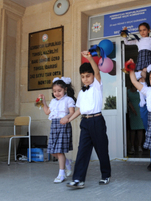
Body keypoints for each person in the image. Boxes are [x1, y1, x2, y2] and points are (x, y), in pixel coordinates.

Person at [66, 51, 111, 189]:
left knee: (101, 149)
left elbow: (97, 72)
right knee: (82, 150)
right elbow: (80, 110)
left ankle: (105, 175)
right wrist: (68, 119)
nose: (85, 79)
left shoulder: (97, 86)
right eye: (83, 76)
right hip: (85, 122)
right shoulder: (81, 93)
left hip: (97, 121)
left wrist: (90, 58)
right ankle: (78, 179)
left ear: (92, 76)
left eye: (88, 76)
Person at [38, 77, 76, 183]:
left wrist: (66, 117)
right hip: (54, 125)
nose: (57, 93)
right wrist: (44, 101)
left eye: (59, 91)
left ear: (65, 89)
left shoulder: (68, 100)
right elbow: (47, 112)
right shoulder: (53, 101)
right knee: (52, 151)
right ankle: (66, 162)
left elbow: (72, 112)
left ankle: (61, 174)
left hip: (63, 125)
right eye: (54, 91)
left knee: (59, 151)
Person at [127, 84, 145, 153]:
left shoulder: (139, 91)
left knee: (140, 129)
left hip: (140, 110)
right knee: (133, 130)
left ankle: (139, 146)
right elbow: (127, 101)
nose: (135, 89)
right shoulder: (128, 92)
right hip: (132, 112)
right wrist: (132, 109)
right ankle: (132, 146)